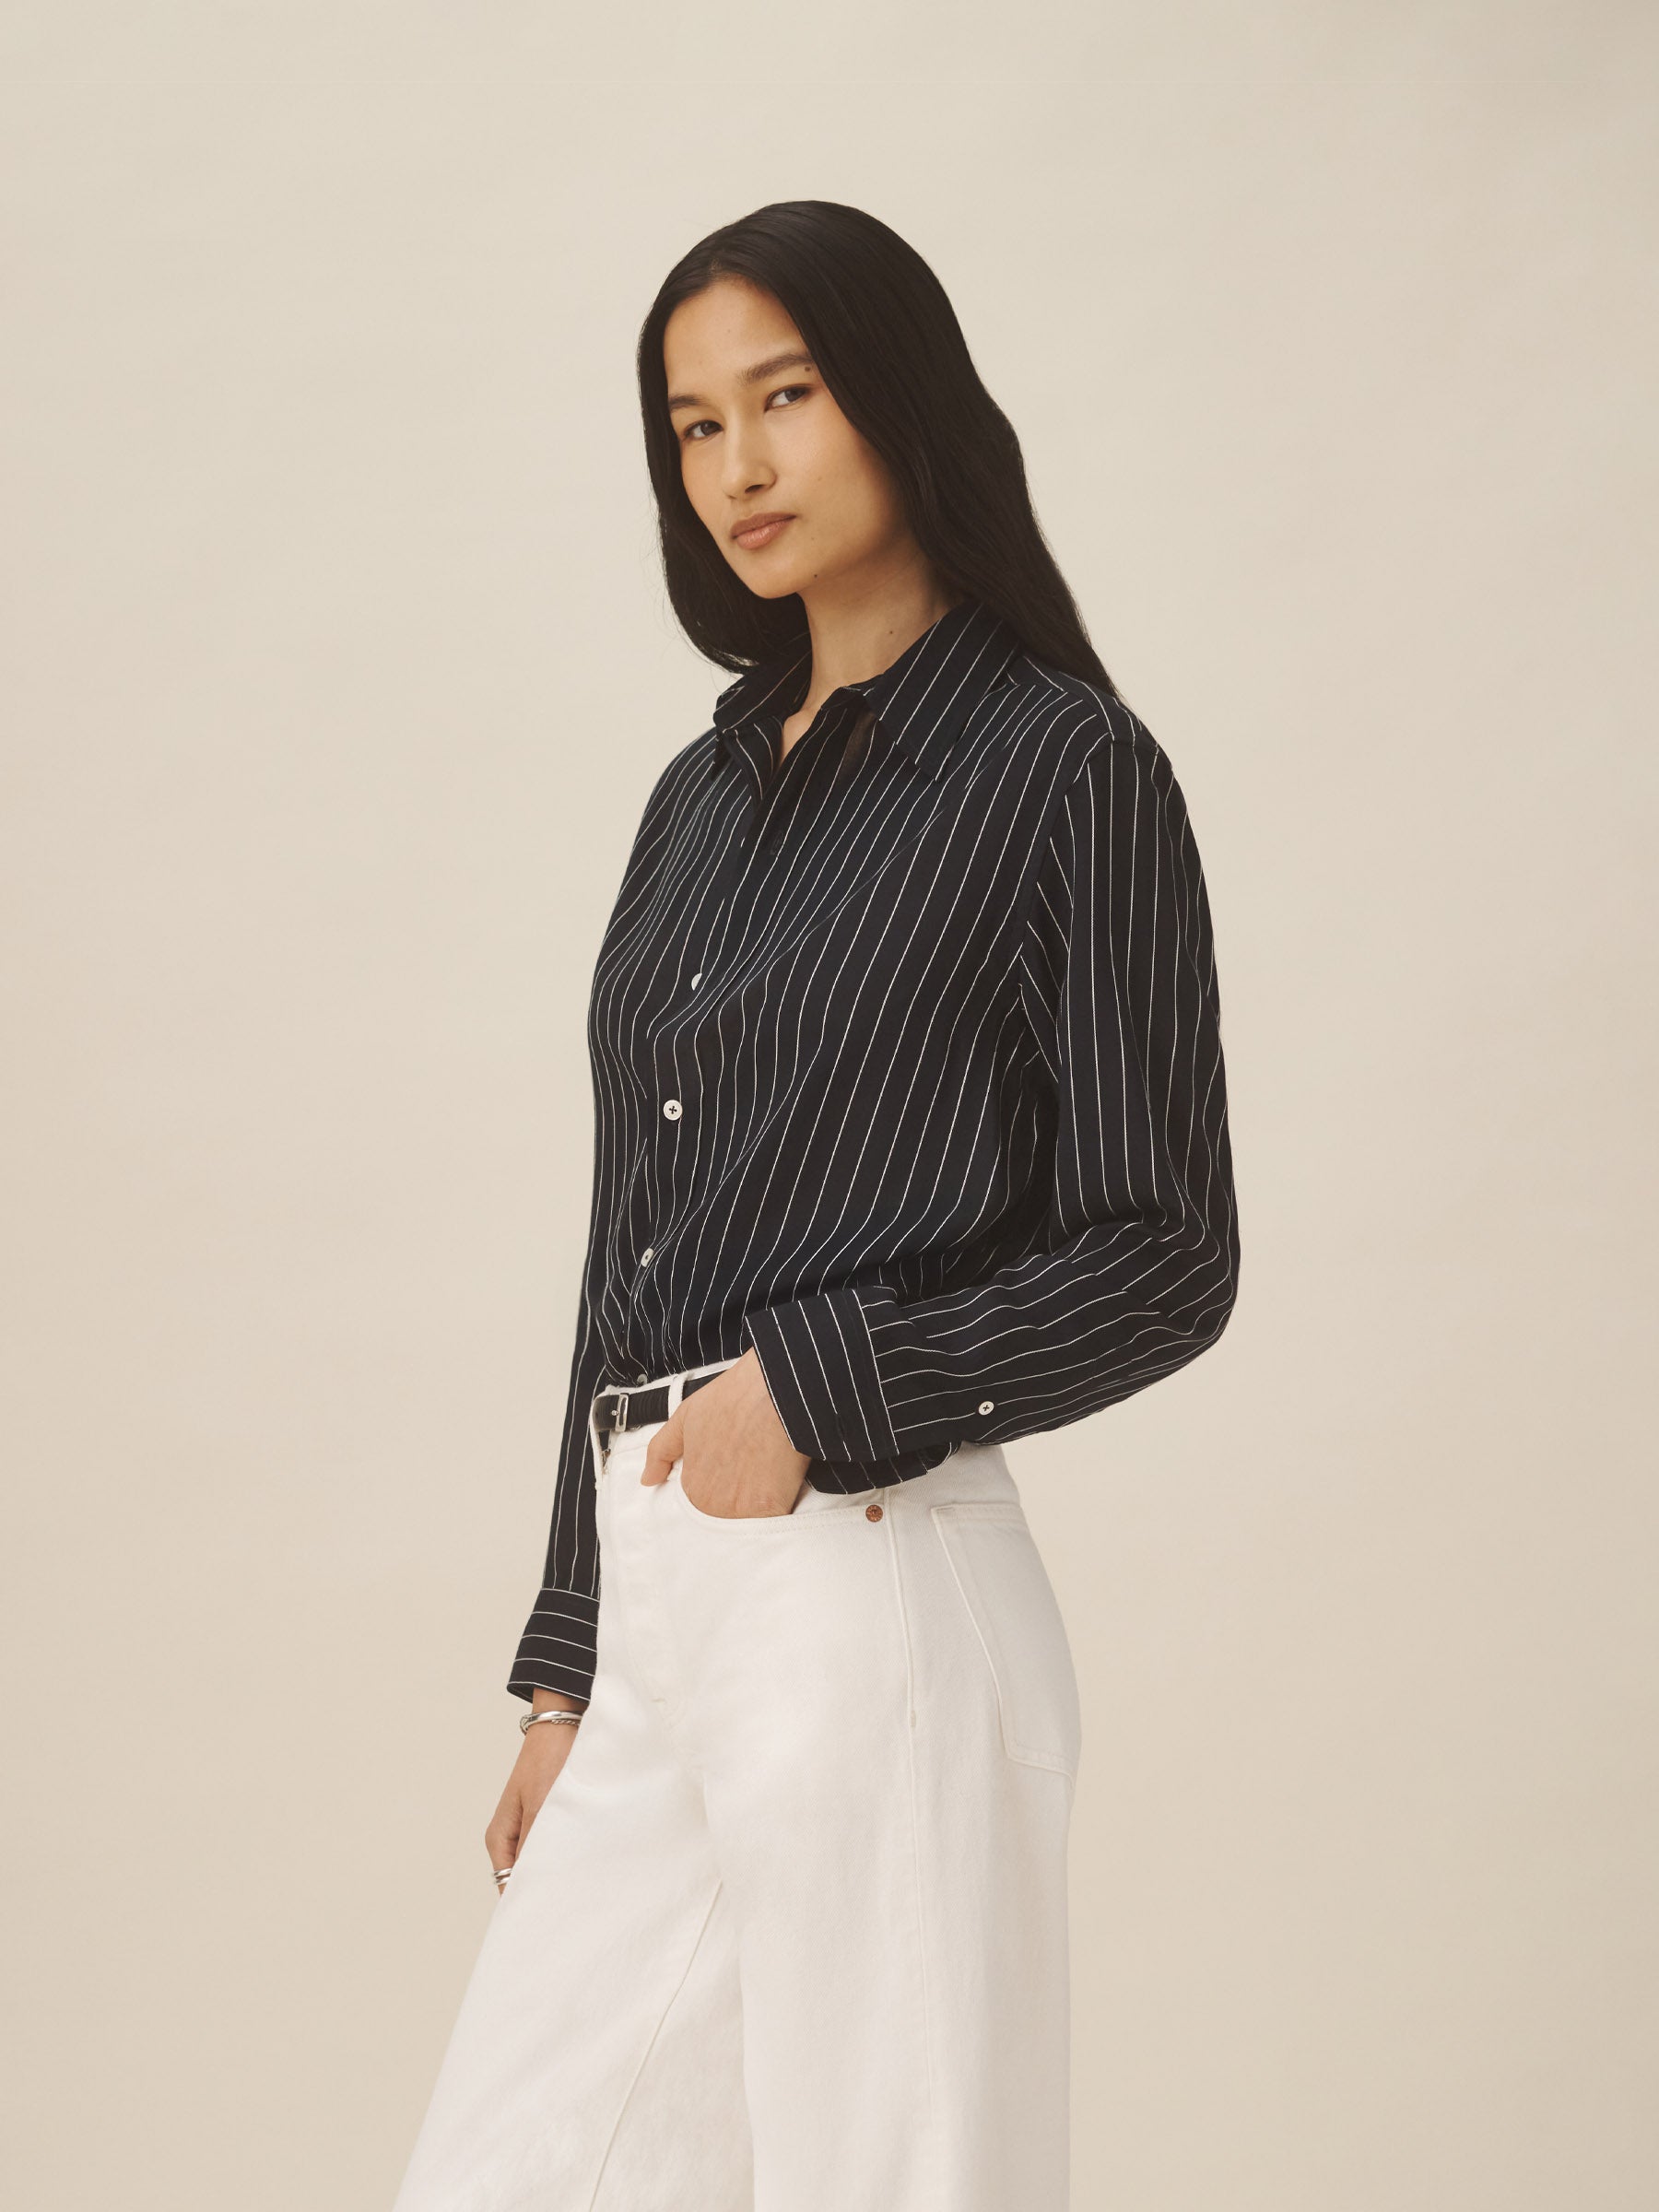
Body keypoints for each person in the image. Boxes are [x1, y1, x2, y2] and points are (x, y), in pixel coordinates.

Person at [392, 198, 1241, 2212]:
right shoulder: (696, 803)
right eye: (693, 426)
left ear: (899, 397)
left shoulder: (1064, 771)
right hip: (664, 1603)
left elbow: (1168, 1252)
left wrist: (819, 1386)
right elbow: (633, 1244)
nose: (738, 466)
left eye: (783, 397)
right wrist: (570, 1669)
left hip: (875, 1586)